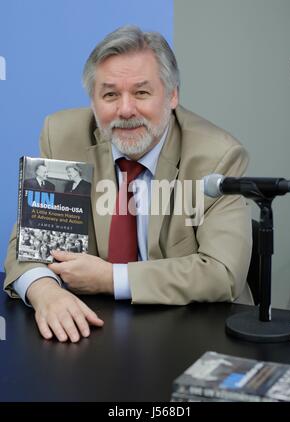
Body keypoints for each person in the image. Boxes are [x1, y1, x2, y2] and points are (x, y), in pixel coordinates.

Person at [3, 25, 252, 343]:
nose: (125, 109)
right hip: (96, 331)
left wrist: (110, 278)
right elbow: (27, 247)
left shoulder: (217, 155)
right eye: (109, 95)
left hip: (197, 331)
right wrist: (45, 291)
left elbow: (221, 272)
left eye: (141, 92)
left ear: (172, 95)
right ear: (93, 102)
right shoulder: (63, 136)